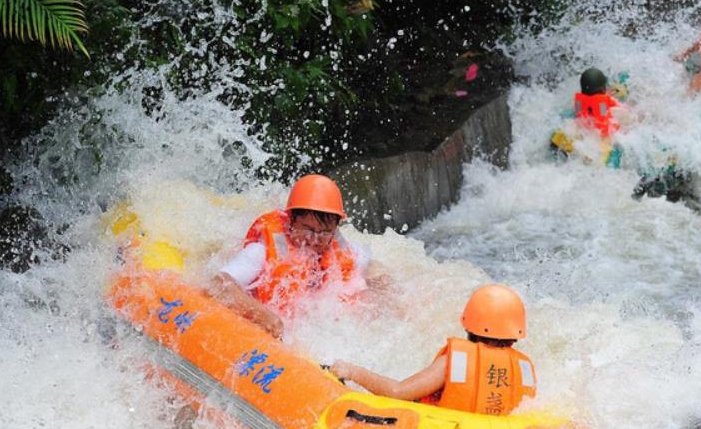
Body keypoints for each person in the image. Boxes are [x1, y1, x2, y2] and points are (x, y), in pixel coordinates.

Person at [331, 284, 537, 416]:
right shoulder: (524, 369)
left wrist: (352, 372)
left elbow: (398, 392)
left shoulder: (455, 362)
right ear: (516, 333)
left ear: (468, 324)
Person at [210, 174, 369, 338]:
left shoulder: (341, 253)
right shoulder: (261, 252)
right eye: (308, 229)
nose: (315, 239)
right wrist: (260, 314)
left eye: (324, 232)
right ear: (291, 220)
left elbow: (371, 265)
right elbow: (217, 283)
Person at [574, 67, 621, 138]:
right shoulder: (602, 103)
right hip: (603, 134)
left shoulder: (578, 102)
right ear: (603, 88)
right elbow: (604, 118)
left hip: (585, 131)